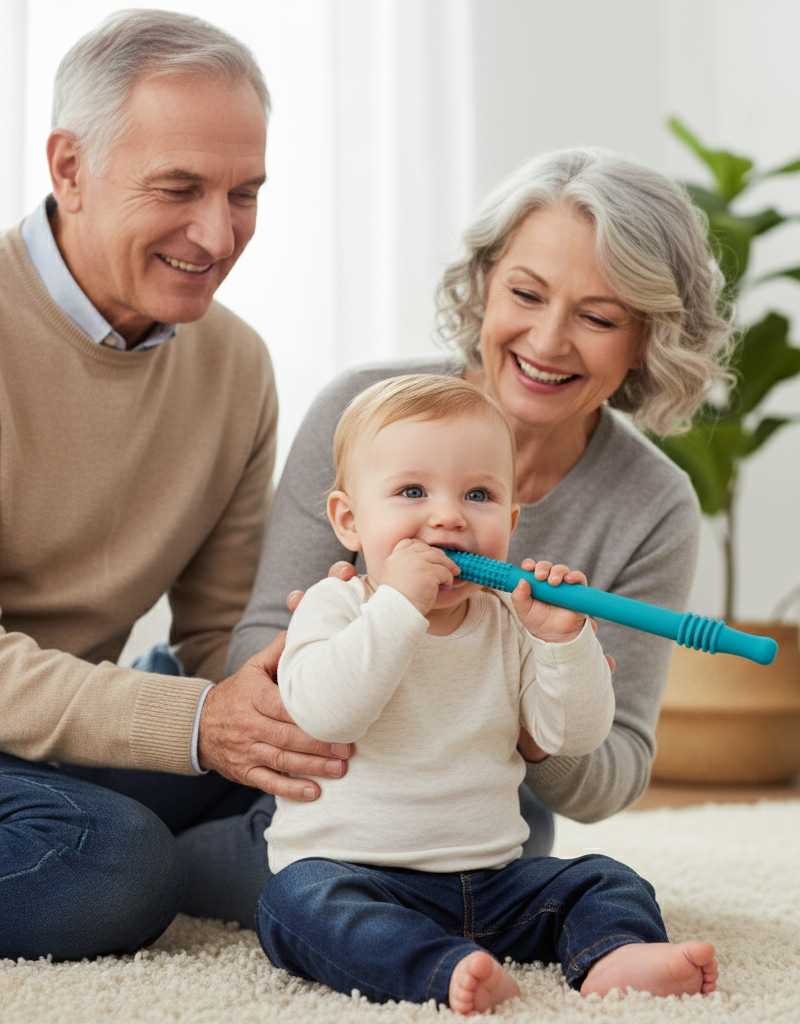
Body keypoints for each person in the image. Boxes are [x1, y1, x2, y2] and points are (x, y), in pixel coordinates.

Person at [223, 148, 731, 917]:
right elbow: (257, 644)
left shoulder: (653, 504)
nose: (548, 341)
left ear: (647, 340)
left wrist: (534, 706)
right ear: (485, 283)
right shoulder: (361, 410)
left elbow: (614, 770)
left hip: (478, 813)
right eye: (526, 293)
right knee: (140, 840)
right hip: (313, 775)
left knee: (534, 857)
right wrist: (327, 664)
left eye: (597, 318)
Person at [0, 10, 344, 962]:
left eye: (245, 193)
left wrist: (339, 679)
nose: (218, 233)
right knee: (113, 865)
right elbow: (192, 709)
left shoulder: (235, 365)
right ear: (69, 168)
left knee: (392, 785)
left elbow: (218, 635)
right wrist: (194, 721)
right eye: (179, 188)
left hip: (53, 740)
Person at [254, 373, 719, 1012]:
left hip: (493, 883)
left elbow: (574, 735)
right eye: (412, 491)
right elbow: (328, 712)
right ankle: (440, 968)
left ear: (511, 520)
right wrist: (399, 605)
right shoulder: (333, 606)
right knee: (292, 905)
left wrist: (564, 642)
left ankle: (614, 955)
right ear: (350, 521)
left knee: (606, 878)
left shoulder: (510, 620)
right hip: (354, 873)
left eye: (479, 495)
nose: (449, 515)